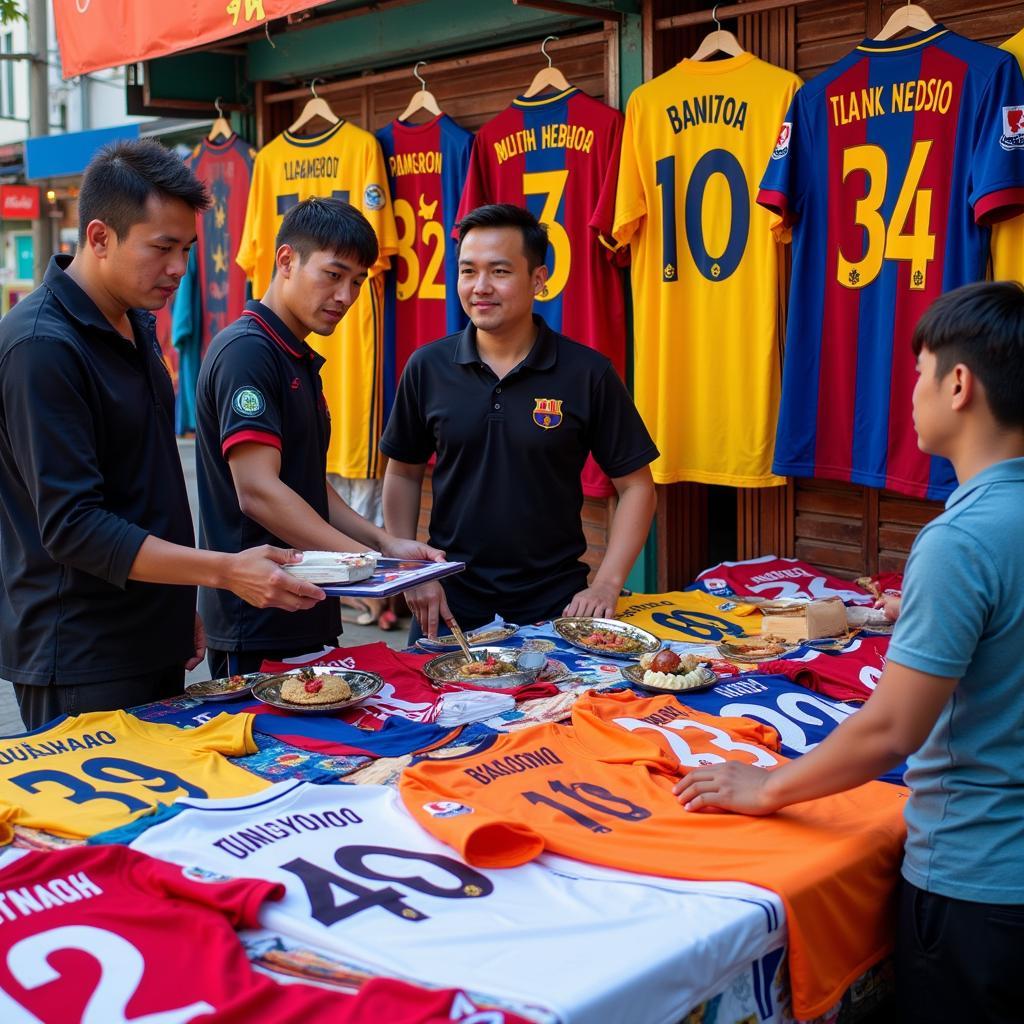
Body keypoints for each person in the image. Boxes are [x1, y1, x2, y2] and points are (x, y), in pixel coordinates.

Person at [674, 281, 1024, 1024]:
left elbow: (893, 728)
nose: (910, 392)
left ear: (959, 384)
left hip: (981, 887)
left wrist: (765, 788)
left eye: (917, 370)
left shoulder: (961, 541)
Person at [0, 140, 325, 730]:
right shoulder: (42, 347)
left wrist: (181, 604)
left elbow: (148, 485)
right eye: (162, 248)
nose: (179, 268)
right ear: (99, 237)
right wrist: (222, 571)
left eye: (187, 249)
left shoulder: (136, 325)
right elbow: (73, 526)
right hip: (80, 650)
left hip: (154, 633)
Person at [381, 203, 658, 640]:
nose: (480, 287)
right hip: (448, 604)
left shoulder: (587, 373)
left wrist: (606, 582)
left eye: (500, 272)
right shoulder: (427, 367)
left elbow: (637, 486)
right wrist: (410, 571)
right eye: (468, 271)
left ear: (539, 279)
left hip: (554, 606)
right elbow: (402, 473)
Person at [195, 197, 443, 676]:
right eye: (333, 274)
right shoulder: (248, 352)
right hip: (260, 614)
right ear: (286, 261)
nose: (346, 296)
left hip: (309, 605)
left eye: (357, 281)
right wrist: (370, 564)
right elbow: (259, 493)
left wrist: (385, 543)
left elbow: (305, 483)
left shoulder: (296, 356)